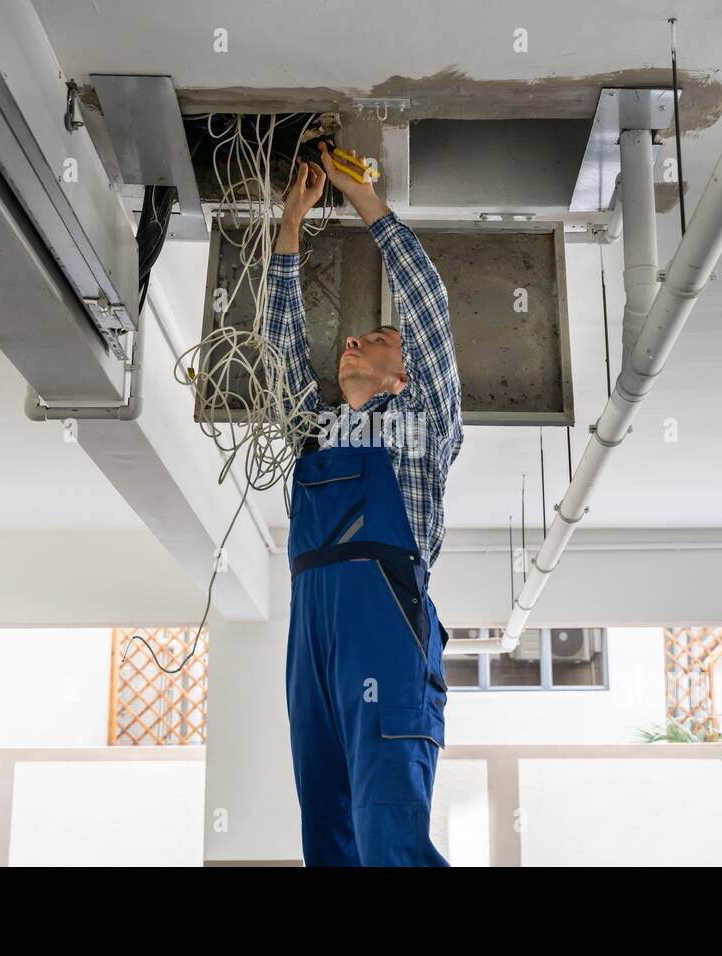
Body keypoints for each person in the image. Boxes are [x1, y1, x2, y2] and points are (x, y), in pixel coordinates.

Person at [262, 141, 464, 866]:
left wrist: (367, 202)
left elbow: (429, 308)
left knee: (387, 837)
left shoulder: (426, 424)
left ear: (406, 376)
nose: (351, 339)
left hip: (382, 629)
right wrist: (290, 222)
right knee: (328, 835)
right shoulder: (313, 430)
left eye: (375, 338)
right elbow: (280, 344)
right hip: (313, 633)